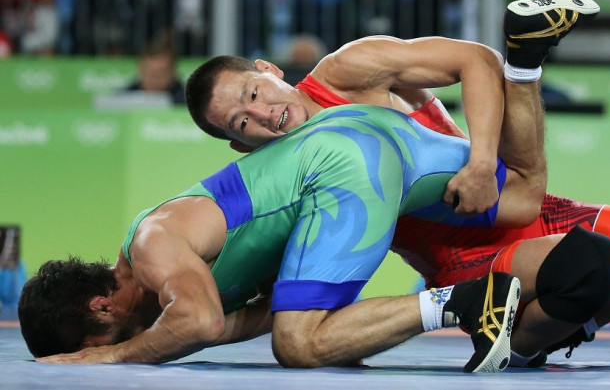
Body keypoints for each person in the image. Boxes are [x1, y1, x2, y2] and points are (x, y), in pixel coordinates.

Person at [188, 0, 610, 366]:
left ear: (269, 70)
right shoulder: (283, 180)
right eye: (242, 123)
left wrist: (482, 160)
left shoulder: (348, 70)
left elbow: (475, 60)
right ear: (241, 144)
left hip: (500, 191)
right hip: (465, 255)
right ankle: (527, 340)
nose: (263, 114)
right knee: (588, 265)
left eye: (253, 93)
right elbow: (275, 289)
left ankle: (561, 328)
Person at [21, 104, 523, 374]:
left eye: (104, 341)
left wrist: (112, 357)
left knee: (298, 345)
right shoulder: (175, 277)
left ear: (102, 307)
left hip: (338, 168)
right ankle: (526, 73)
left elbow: (200, 321)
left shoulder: (153, 245)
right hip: (362, 137)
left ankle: (472, 300)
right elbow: (214, 324)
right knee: (526, 190)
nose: (127, 344)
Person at [125, 36, 185, 105]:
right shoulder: (122, 98)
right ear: (140, 70)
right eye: (149, 73)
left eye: (160, 73)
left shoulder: (190, 103)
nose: (154, 79)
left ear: (173, 73)